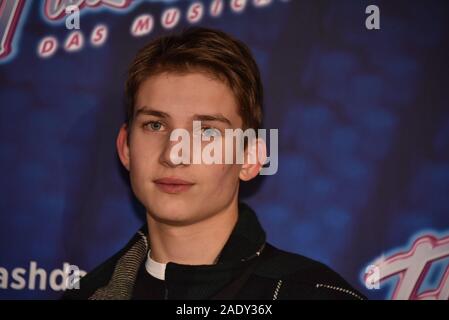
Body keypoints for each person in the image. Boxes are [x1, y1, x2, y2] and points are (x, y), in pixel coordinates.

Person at [63, 27, 365, 300]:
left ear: (250, 158)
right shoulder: (86, 295)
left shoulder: (314, 296)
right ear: (125, 148)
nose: (173, 154)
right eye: (155, 125)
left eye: (206, 131)